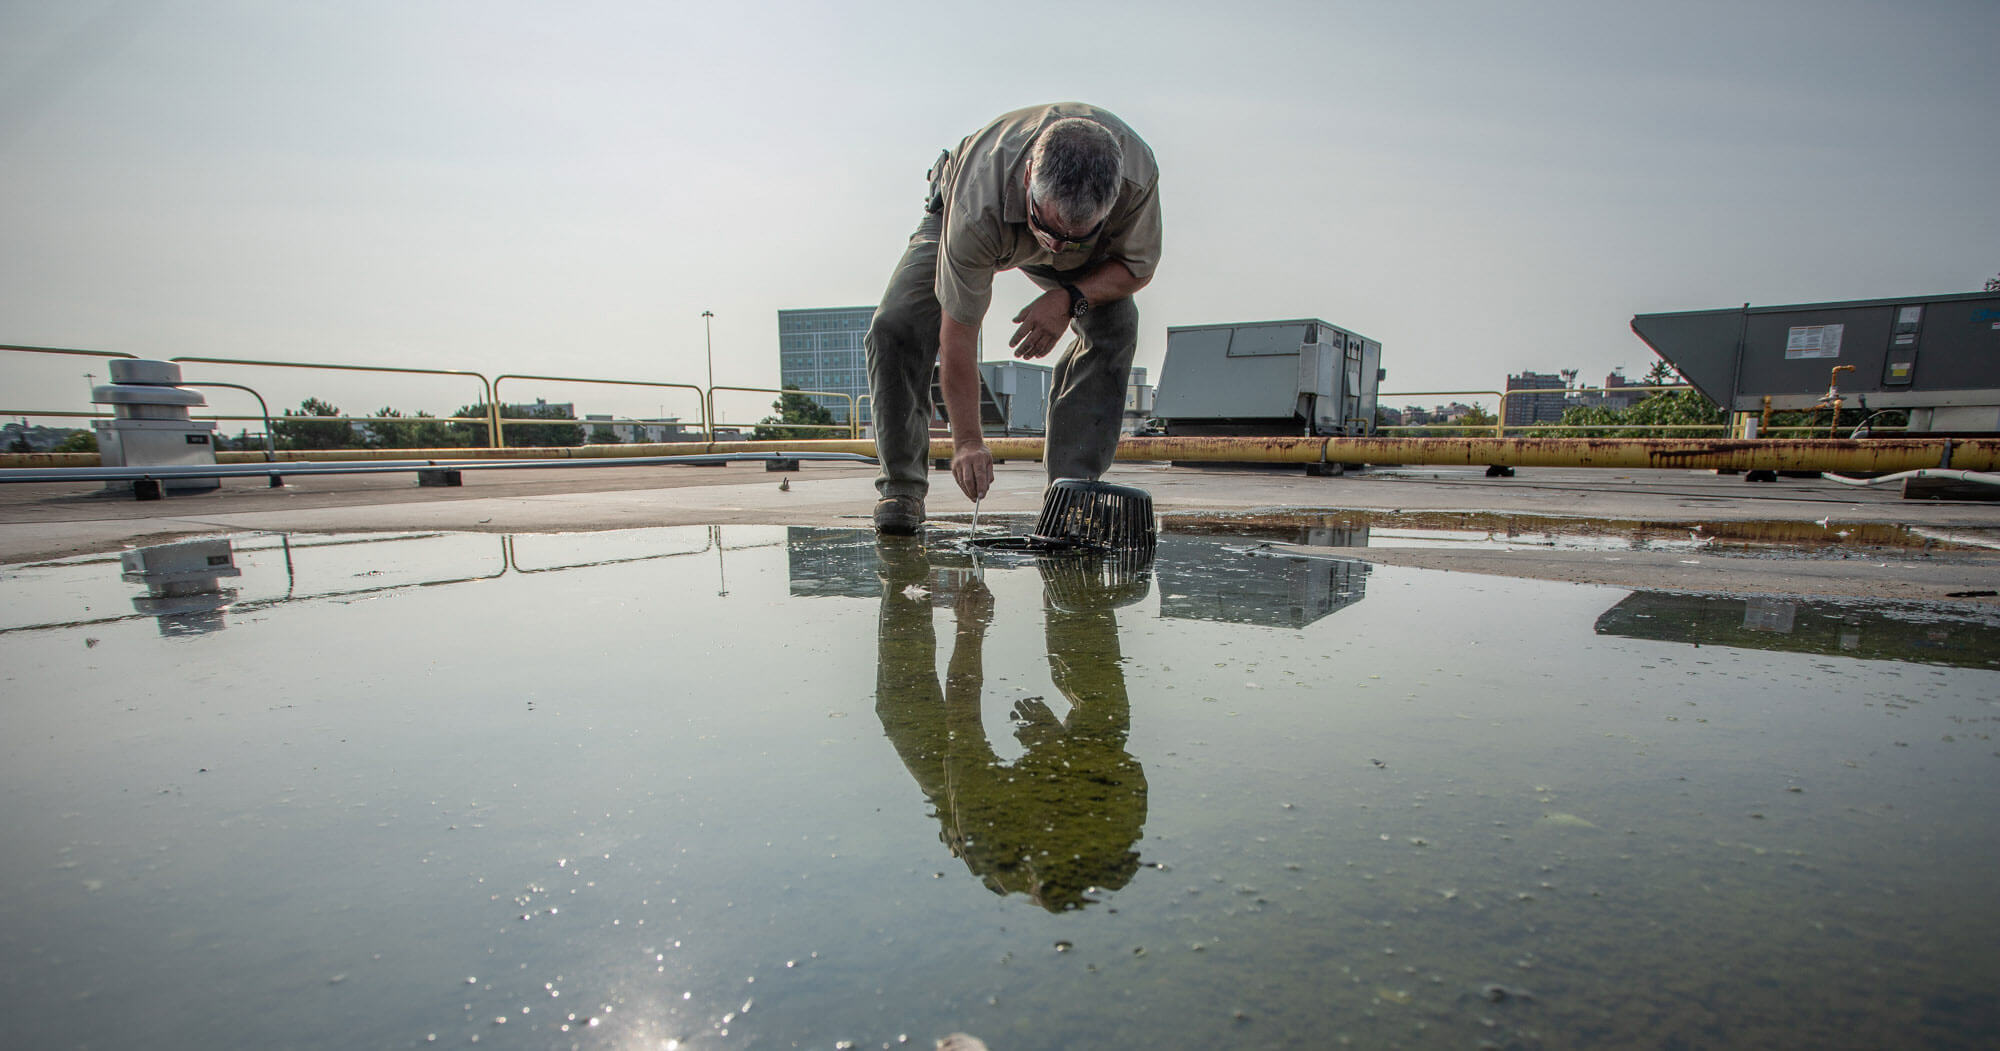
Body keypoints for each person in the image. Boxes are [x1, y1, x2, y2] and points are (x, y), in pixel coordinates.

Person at [865, 103, 1163, 534]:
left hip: (1079, 242)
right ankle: (901, 489)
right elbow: (958, 339)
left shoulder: (1136, 178)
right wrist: (967, 441)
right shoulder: (976, 209)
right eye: (1052, 232)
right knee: (897, 325)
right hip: (975, 211)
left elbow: (1138, 267)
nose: (1057, 250)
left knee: (1115, 325)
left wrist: (1071, 296)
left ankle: (1072, 494)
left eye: (1073, 238)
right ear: (1028, 180)